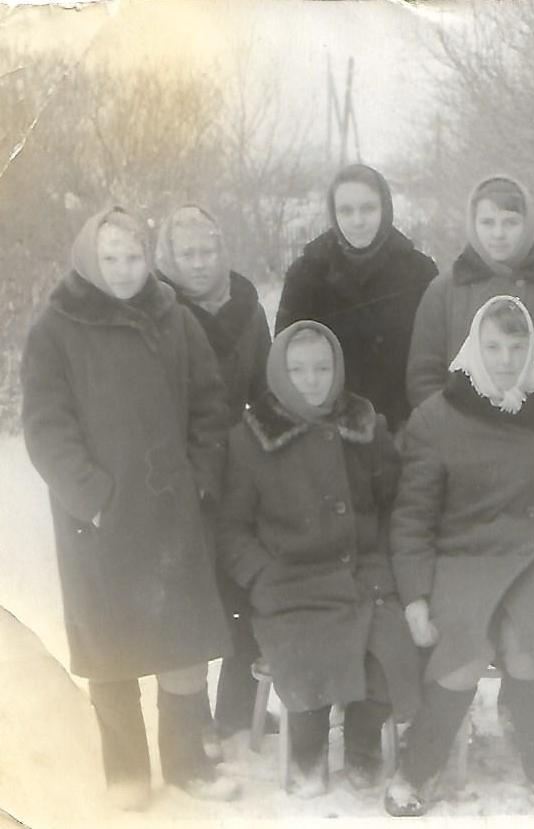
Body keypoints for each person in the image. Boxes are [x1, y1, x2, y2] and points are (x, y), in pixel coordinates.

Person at [21, 207, 239, 809]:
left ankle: (188, 761)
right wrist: (90, 496)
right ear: (88, 260)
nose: (123, 271)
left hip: (172, 510)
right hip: (100, 520)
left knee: (181, 645)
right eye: (110, 259)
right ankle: (127, 773)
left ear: (150, 260)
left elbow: (209, 407)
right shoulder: (55, 328)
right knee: (110, 649)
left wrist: (199, 480)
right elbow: (46, 426)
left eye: (133, 258)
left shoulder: (174, 320)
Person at [383, 296, 534, 817]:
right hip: (462, 556)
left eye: (516, 346)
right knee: (462, 658)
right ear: (474, 347)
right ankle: (418, 768)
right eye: (493, 346)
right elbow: (413, 517)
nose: (504, 358)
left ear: (531, 348)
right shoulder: (437, 415)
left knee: (529, 648)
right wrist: (416, 597)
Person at [216, 321, 421, 797]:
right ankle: (308, 746)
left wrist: (387, 561)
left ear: (338, 370)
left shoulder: (365, 427)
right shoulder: (250, 440)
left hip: (362, 574)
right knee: (306, 662)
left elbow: (395, 502)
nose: (312, 380)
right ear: (279, 372)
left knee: (390, 654)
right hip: (291, 582)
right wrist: (263, 575)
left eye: (323, 368)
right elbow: (231, 529)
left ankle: (362, 739)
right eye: (298, 369)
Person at [155, 204, 272, 743]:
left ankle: (237, 709)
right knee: (197, 595)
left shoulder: (247, 305)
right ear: (170, 258)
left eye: (207, 252)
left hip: (243, 463)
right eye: (187, 254)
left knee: (245, 586)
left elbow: (265, 389)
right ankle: (194, 718)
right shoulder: (157, 309)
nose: (199, 264)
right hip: (185, 466)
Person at [406, 175, 534, 407]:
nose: (498, 234)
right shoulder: (445, 290)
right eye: (487, 222)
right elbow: (424, 376)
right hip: (462, 433)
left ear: (527, 225)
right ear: (472, 224)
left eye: (510, 222)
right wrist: (449, 421)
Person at [276, 164, 438, 431]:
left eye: (368, 209)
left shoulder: (419, 273)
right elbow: (287, 359)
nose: (358, 220)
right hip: (327, 429)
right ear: (333, 213)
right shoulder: (306, 274)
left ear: (385, 208)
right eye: (346, 211)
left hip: (401, 426)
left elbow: (431, 359)